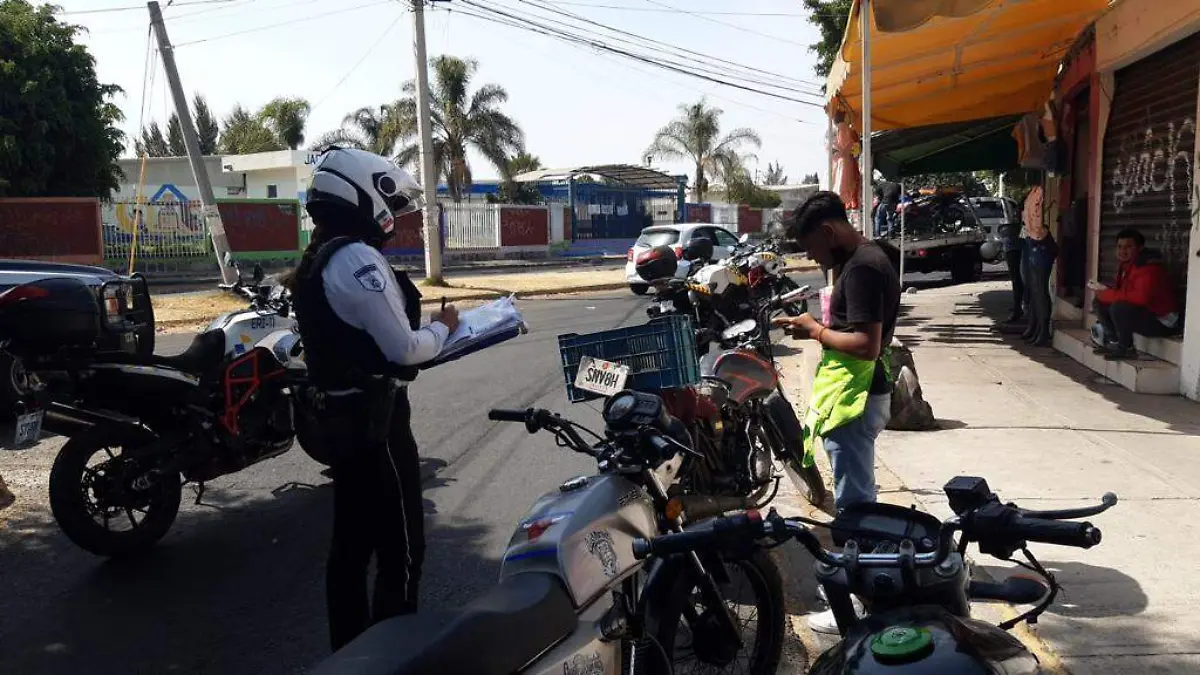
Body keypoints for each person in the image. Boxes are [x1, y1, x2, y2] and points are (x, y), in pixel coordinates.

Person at [287, 146, 460, 650]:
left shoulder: (319, 254)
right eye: (387, 197)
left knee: (350, 549)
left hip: (339, 420)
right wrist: (445, 330)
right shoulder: (357, 257)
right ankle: (393, 655)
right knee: (402, 550)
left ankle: (350, 655)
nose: (392, 212)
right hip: (375, 425)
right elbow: (405, 350)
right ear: (360, 194)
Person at [772, 191, 901, 634]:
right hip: (856, 395)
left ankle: (863, 604)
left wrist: (815, 330)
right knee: (858, 496)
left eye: (811, 247)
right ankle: (867, 591)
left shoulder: (864, 266)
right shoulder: (865, 256)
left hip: (857, 398)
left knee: (856, 507)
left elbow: (867, 345)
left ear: (828, 231)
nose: (811, 256)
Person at [1090, 229, 1180, 360]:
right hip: (1147, 314)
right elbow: (1125, 293)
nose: (1123, 251)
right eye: (1120, 246)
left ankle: (1126, 348)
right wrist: (1105, 292)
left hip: (1163, 322)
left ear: (1140, 248)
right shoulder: (1128, 265)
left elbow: (1140, 298)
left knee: (1119, 307)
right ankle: (1113, 342)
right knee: (1099, 303)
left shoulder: (1149, 267)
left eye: (1128, 247)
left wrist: (1108, 294)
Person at [1020, 218, 1058, 347]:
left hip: (1041, 254)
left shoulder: (1040, 228)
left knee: (1041, 292)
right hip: (1035, 253)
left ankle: (1043, 331)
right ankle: (1037, 328)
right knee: (1035, 292)